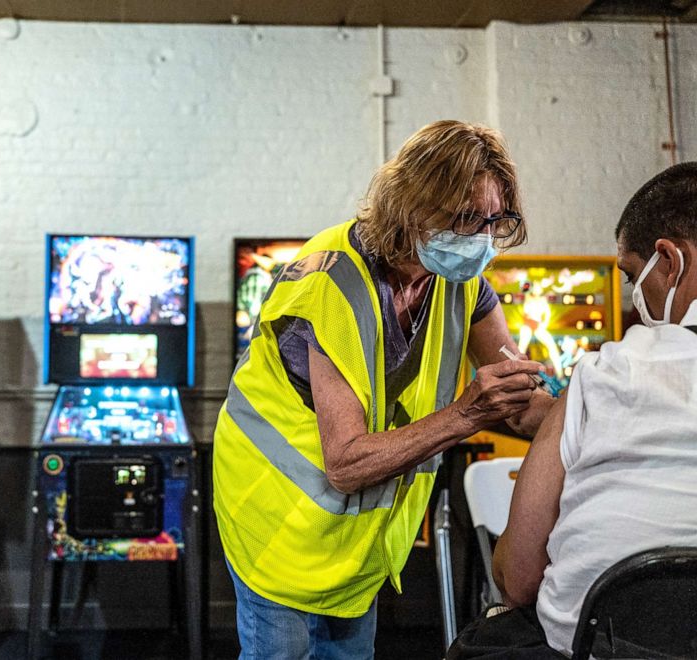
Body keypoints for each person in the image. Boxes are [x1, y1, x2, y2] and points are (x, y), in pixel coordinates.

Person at [213, 120, 557, 659]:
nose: (482, 240)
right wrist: (466, 415)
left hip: (356, 539)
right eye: (466, 219)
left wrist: (593, 409)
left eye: (496, 220)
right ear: (413, 205)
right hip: (278, 519)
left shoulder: (459, 282)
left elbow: (519, 403)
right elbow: (346, 462)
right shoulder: (331, 286)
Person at [448, 161, 697, 658]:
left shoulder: (600, 373)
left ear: (669, 261)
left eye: (631, 277)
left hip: (600, 645)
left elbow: (518, 578)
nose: (635, 298)